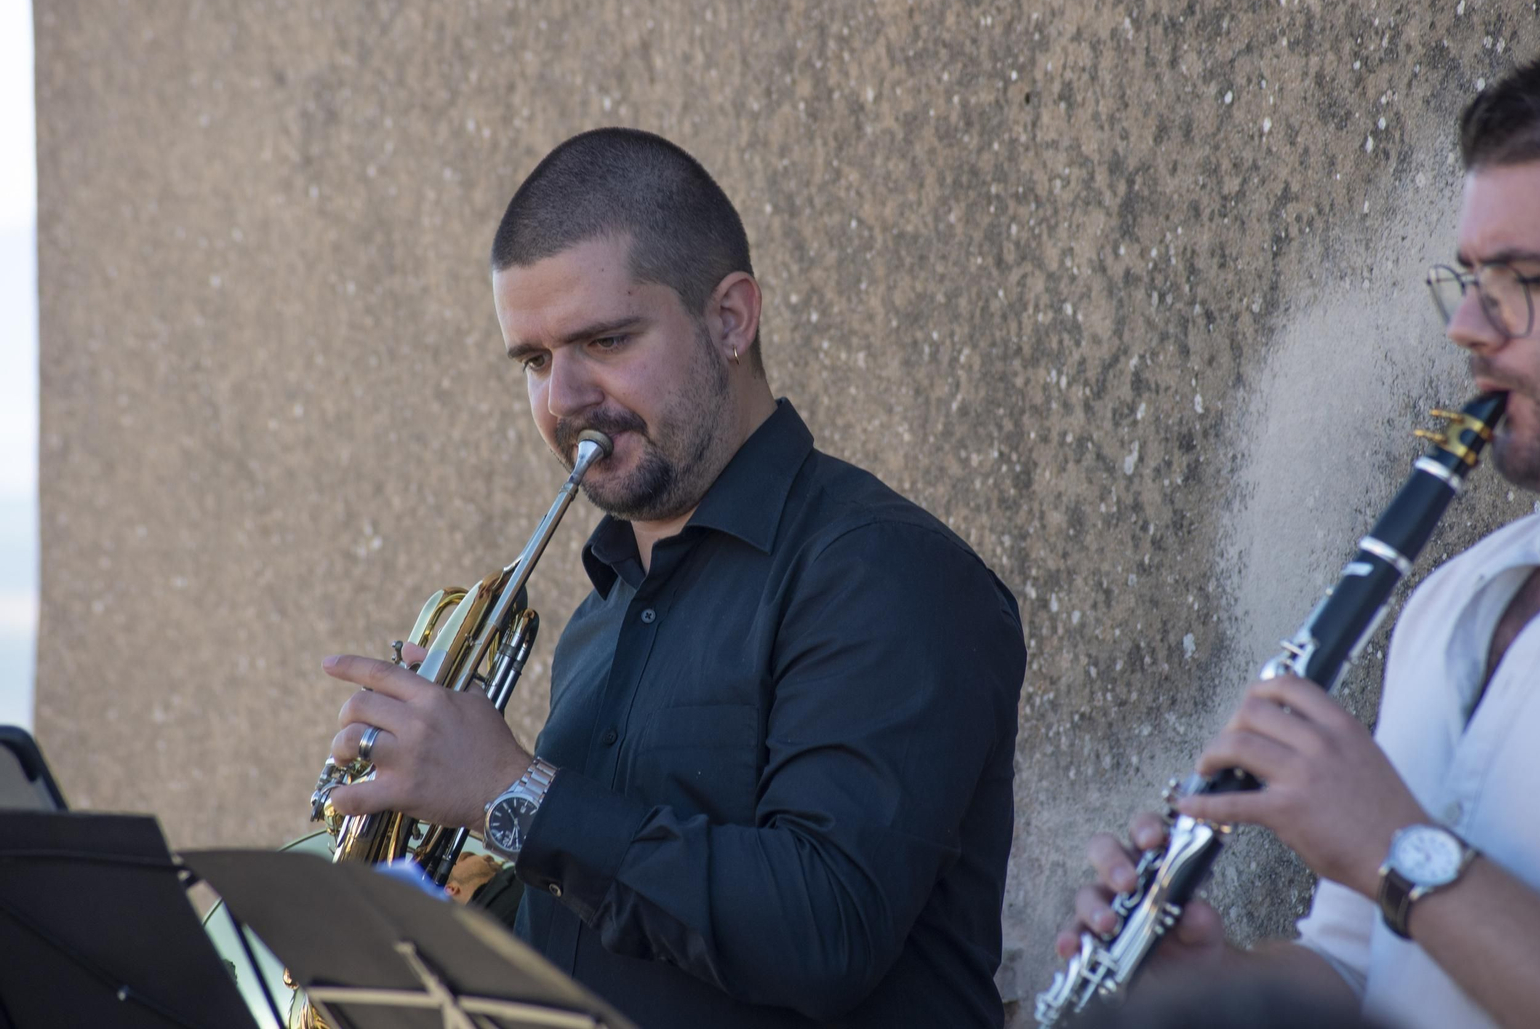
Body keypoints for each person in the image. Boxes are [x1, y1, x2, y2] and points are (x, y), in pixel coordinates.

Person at [319, 128, 1027, 1028]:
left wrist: (508, 792)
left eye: (605, 340)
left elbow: (825, 928)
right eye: (534, 361)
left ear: (730, 319)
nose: (562, 397)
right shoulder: (600, 617)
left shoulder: (882, 571)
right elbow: (624, 931)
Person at [1062, 33, 1540, 1029]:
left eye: (1524, 277)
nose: (1466, 328)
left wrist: (1395, 845)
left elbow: (1398, 872)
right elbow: (1363, 967)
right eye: (1467, 278)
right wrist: (1208, 983)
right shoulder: (1452, 602)